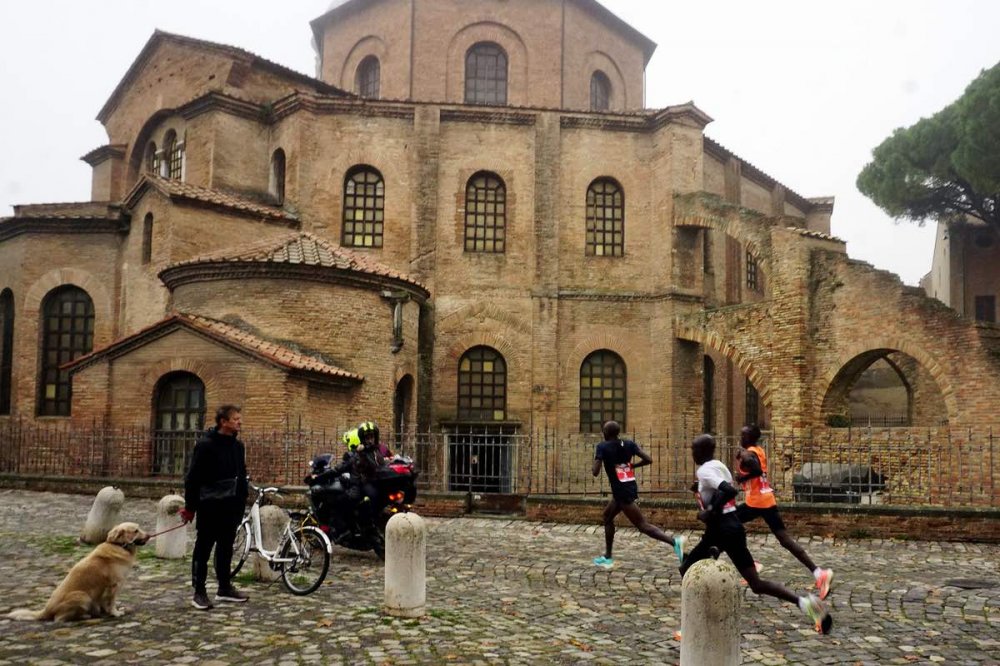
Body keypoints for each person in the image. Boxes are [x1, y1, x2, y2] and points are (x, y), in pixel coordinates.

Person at [681, 433, 832, 634]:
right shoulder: (719, 465)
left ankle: (696, 628)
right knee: (756, 583)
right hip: (733, 527)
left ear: (702, 451)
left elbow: (729, 491)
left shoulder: (705, 472)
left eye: (694, 449)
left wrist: (709, 511)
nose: (692, 453)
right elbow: (722, 489)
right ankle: (807, 604)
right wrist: (700, 491)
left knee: (687, 570)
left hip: (720, 529)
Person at [735, 424, 834, 599]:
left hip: (757, 502)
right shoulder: (758, 449)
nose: (740, 438)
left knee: (728, 524)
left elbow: (756, 470)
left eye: (743, 435)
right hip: (766, 500)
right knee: (784, 539)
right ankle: (819, 573)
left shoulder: (749, 453)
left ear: (750, 438)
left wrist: (742, 476)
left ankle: (750, 564)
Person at [180, 405, 250, 610]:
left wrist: (242, 497)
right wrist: (190, 507)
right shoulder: (205, 445)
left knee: (226, 547)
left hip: (232, 505)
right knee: (204, 547)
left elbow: (241, 473)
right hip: (210, 505)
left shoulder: (238, 447)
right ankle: (199, 591)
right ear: (223, 422)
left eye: (240, 418)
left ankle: (224, 587)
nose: (240, 422)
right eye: (236, 418)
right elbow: (193, 478)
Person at [591, 420, 685, 569]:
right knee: (607, 516)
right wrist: (632, 465)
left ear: (605, 433)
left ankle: (674, 542)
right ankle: (608, 556)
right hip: (628, 487)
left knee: (642, 525)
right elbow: (648, 459)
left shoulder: (602, 447)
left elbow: (595, 472)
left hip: (622, 492)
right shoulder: (629, 444)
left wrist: (597, 460)